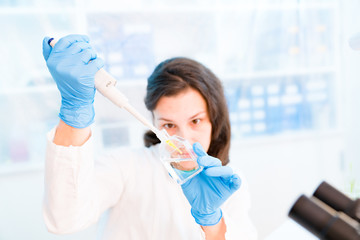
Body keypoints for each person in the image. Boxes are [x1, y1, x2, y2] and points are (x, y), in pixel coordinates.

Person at [42, 34, 257, 240]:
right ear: (154, 124)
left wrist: (212, 221)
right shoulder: (125, 166)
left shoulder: (227, 183)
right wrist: (73, 113)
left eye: (196, 121)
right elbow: (65, 220)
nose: (185, 139)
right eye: (169, 125)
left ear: (214, 120)